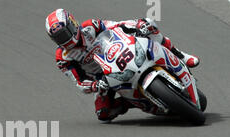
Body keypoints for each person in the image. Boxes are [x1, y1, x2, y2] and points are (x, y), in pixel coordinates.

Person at [45, 8, 200, 121]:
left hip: (121, 51)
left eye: (65, 33)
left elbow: (117, 25)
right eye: (59, 38)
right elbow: (78, 82)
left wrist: (136, 25)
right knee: (103, 113)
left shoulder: (91, 26)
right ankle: (133, 101)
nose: (64, 40)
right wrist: (94, 86)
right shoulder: (63, 57)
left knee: (149, 25)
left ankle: (180, 55)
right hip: (104, 77)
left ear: (73, 24)